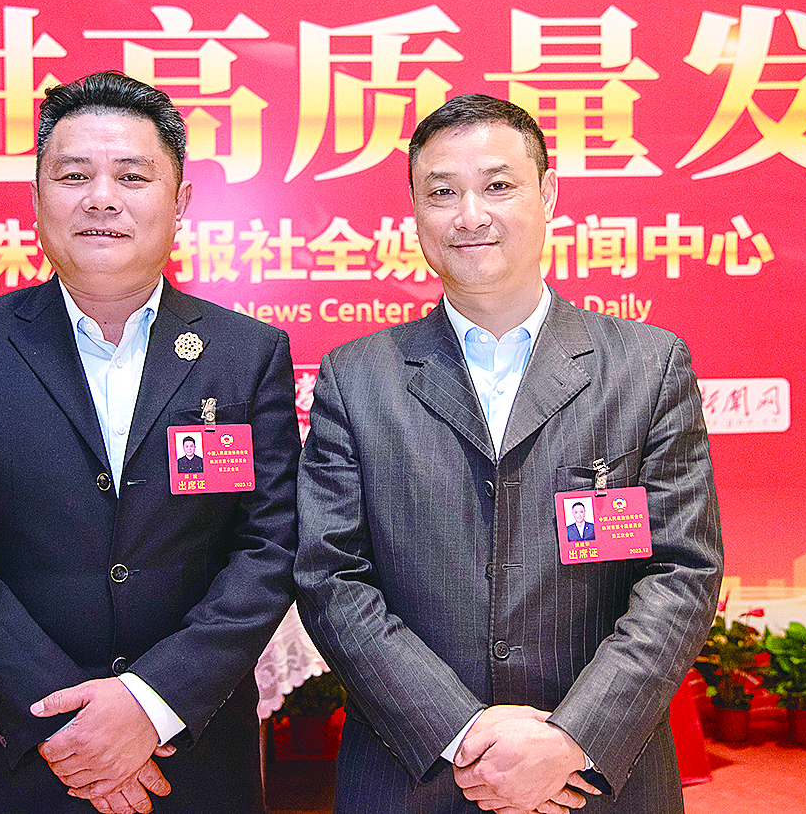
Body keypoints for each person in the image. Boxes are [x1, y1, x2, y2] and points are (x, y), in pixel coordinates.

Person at [295, 94, 722, 814]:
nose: (470, 215)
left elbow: (681, 573)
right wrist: (463, 732)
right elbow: (330, 575)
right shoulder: (357, 377)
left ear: (547, 193)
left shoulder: (647, 366)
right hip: (416, 775)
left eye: (497, 185)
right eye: (442, 192)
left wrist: (571, 737)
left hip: (594, 778)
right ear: (414, 210)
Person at [0, 71, 299, 814]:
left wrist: (151, 703)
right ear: (36, 198)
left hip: (192, 747)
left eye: (132, 175)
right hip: (33, 752)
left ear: (180, 201)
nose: (101, 198)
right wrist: (66, 724)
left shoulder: (247, 354)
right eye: (74, 175)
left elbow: (269, 546)